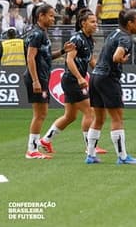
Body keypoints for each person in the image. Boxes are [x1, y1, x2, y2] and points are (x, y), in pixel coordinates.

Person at [38, 10, 106, 157]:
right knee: (90, 112)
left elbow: (91, 60)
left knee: (70, 116)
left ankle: (45, 140)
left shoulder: (88, 39)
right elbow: (69, 60)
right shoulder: (77, 39)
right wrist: (80, 78)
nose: (96, 25)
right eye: (93, 22)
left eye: (96, 22)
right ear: (83, 23)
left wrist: (101, 72)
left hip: (73, 80)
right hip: (72, 80)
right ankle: (90, 147)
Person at [87, 9, 136, 165]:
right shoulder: (125, 38)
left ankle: (90, 155)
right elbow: (116, 57)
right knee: (117, 118)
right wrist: (123, 59)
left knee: (99, 118)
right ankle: (122, 156)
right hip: (108, 78)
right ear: (129, 23)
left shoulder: (114, 33)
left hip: (96, 76)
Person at [22, 4, 66, 159]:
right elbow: (30, 57)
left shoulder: (42, 34)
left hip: (41, 77)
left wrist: (62, 51)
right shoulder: (37, 34)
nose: (53, 19)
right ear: (41, 16)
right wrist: (35, 81)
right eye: (51, 16)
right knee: (39, 114)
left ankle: (33, 148)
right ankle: (32, 150)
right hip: (37, 78)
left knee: (41, 113)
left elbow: (45, 56)